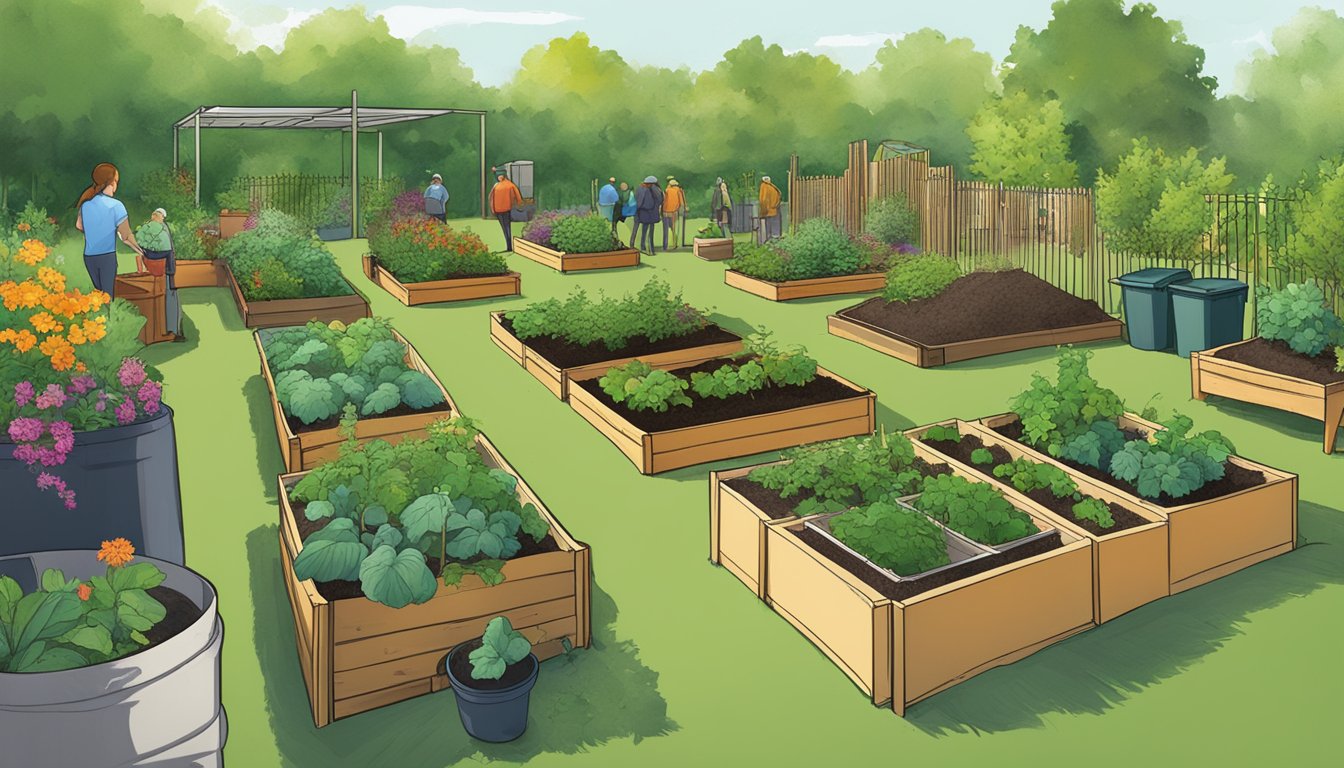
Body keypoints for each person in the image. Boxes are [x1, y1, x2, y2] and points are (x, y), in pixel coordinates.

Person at [74, 162, 144, 299]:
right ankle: (107, 319)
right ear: (112, 182)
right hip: (107, 257)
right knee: (107, 296)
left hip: (89, 257)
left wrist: (95, 232)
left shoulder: (86, 204)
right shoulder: (116, 206)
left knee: (98, 295)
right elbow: (126, 236)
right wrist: (142, 251)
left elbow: (79, 226)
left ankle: (99, 319)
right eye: (117, 181)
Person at [135, 208, 183, 341]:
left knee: (168, 298)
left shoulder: (149, 228)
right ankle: (172, 330)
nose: (157, 218)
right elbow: (168, 251)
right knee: (169, 298)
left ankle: (172, 330)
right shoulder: (159, 228)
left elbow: (141, 247)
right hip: (164, 269)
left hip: (161, 269)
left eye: (158, 216)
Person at [489, 169, 523, 251]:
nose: (499, 177)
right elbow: (518, 196)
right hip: (504, 209)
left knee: (505, 228)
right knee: (507, 227)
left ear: (503, 176)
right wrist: (519, 205)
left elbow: (491, 198)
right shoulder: (509, 185)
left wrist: (493, 209)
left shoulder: (497, 186)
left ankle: (509, 246)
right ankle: (509, 246)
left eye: (499, 176)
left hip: (500, 210)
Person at [633, 175, 664, 254]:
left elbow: (637, 200)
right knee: (650, 231)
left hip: (642, 213)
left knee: (644, 230)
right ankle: (649, 250)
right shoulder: (654, 189)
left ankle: (643, 247)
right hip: (650, 214)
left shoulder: (639, 189)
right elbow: (659, 200)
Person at [662, 178, 686, 250]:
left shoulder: (666, 190)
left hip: (665, 211)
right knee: (673, 228)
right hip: (674, 212)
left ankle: (665, 245)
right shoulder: (678, 191)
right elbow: (682, 202)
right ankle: (673, 244)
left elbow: (663, 200)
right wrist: (683, 208)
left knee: (666, 228)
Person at [758, 175, 782, 243]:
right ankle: (775, 241)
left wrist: (762, 212)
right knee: (775, 228)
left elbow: (763, 200)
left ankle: (770, 242)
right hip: (774, 210)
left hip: (768, 211)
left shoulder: (763, 187)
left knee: (768, 228)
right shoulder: (772, 187)